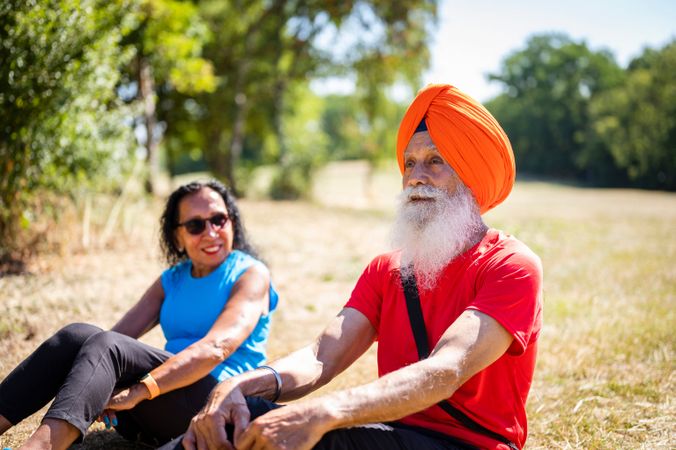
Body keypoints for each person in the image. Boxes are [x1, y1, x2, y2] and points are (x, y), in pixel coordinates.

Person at [164, 84, 544, 450]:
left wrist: (325, 412)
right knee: (243, 421)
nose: (415, 176)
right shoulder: (387, 269)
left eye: (435, 161)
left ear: (471, 176)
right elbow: (320, 357)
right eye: (409, 162)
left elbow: (445, 370)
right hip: (389, 434)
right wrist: (240, 387)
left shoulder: (511, 265)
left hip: (465, 444)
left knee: (314, 435)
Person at [0, 180, 279, 449]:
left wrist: (139, 390)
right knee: (78, 337)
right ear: (177, 236)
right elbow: (112, 339)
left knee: (108, 347)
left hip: (219, 404)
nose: (211, 232)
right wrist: (98, 382)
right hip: (161, 402)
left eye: (219, 219)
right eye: (196, 225)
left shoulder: (251, 274)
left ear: (232, 222)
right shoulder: (173, 279)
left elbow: (216, 349)